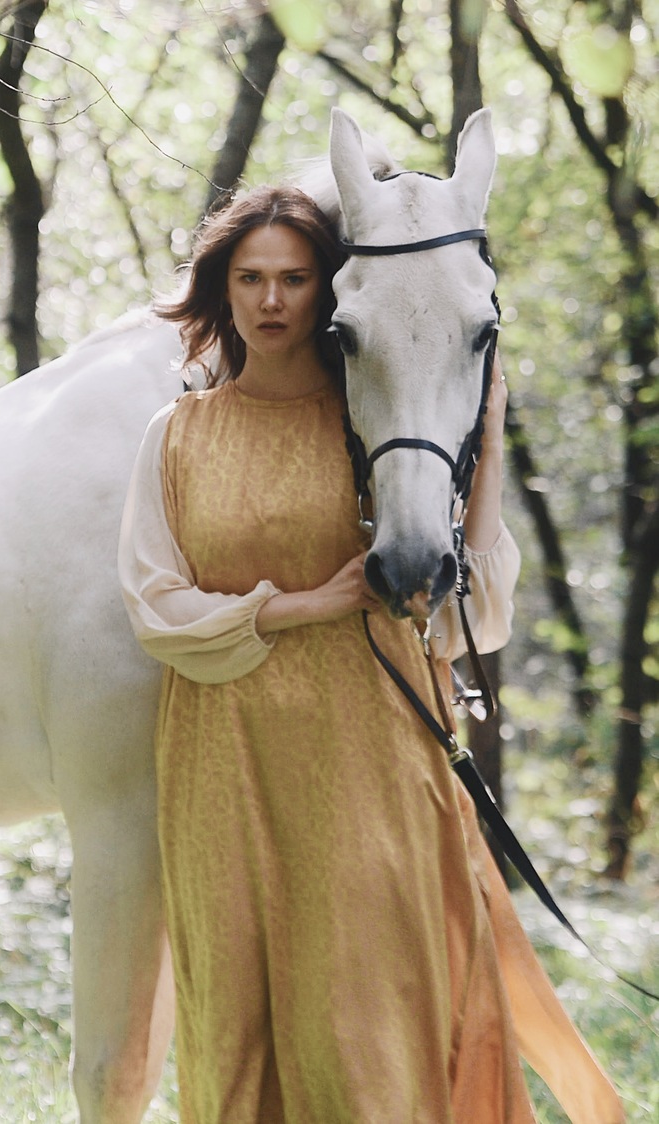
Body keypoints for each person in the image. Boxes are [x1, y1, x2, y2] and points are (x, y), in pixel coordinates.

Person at [117, 185, 622, 1122]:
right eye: (252, 278)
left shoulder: (381, 432)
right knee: (237, 1014)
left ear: (330, 291)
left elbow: (469, 599)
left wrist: (491, 420)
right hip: (223, 763)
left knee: (370, 1011)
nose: (272, 301)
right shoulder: (176, 435)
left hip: (373, 755)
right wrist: (308, 603)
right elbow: (156, 607)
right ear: (221, 293)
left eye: (296, 279)